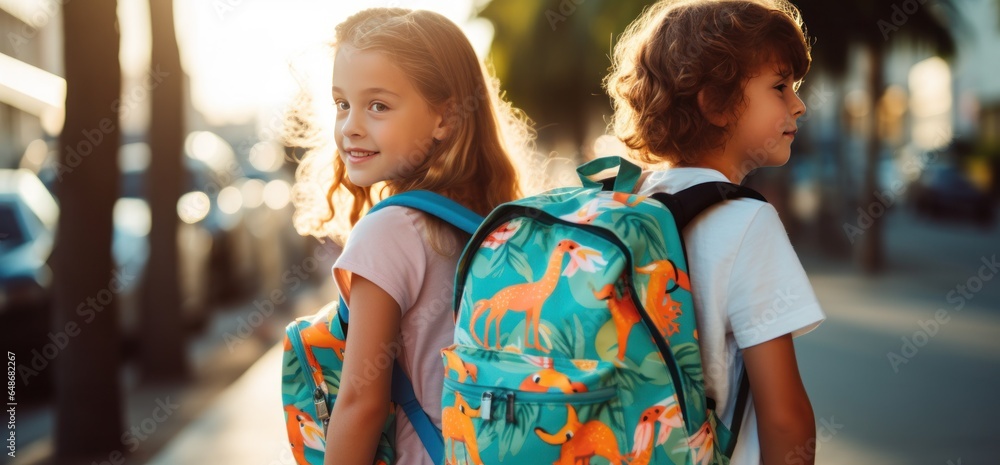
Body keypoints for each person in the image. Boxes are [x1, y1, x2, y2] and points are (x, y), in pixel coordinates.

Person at [290, 8, 531, 465]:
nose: (351, 126)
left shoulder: (389, 230)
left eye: (378, 105)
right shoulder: (488, 218)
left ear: (444, 118)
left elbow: (361, 404)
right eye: (342, 103)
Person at [605, 1, 826, 463]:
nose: (799, 105)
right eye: (780, 87)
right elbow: (786, 419)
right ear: (717, 104)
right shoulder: (747, 222)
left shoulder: (629, 203)